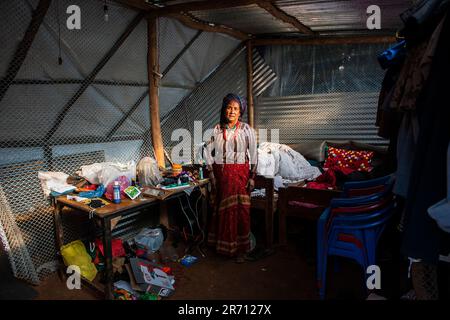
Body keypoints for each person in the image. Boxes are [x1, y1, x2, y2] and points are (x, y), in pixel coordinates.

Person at [205, 93, 258, 263]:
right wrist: (211, 174)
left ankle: (241, 250)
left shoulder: (246, 129)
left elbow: (254, 154)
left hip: (241, 175)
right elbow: (206, 151)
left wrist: (252, 177)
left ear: (240, 111)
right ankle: (224, 248)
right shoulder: (217, 129)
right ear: (224, 109)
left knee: (241, 211)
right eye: (229, 108)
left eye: (235, 108)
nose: (232, 111)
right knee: (223, 209)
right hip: (223, 175)